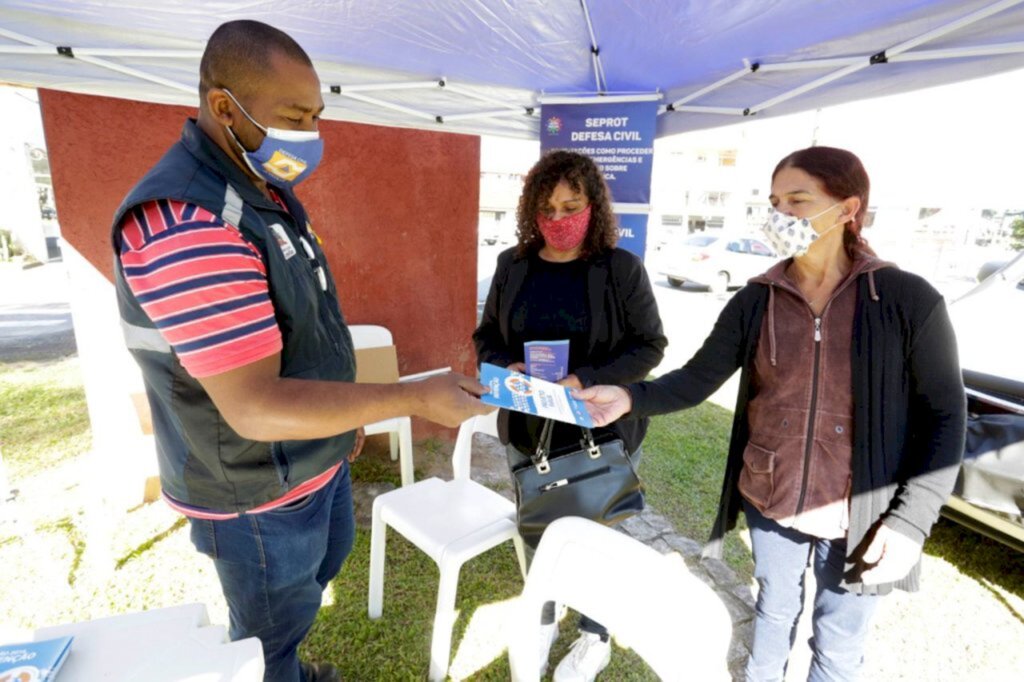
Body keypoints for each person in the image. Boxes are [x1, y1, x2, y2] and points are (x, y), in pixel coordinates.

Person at [111, 20, 490, 682]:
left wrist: (349, 416)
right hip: (255, 493)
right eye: (293, 115)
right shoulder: (190, 223)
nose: (309, 135)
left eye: (315, 116)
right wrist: (410, 395)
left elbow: (307, 326)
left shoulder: (266, 193)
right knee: (265, 637)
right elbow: (255, 406)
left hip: (312, 462)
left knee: (306, 591)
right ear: (224, 106)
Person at [577, 146, 966, 681]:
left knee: (838, 643)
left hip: (865, 510)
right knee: (773, 611)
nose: (780, 216)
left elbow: (946, 417)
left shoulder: (905, 300)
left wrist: (908, 524)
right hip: (771, 494)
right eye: (775, 202)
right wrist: (629, 397)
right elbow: (695, 379)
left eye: (797, 200)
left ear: (848, 208)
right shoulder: (756, 300)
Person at [473, 150, 667, 681]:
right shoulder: (512, 265)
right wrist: (504, 364)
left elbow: (650, 346)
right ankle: (544, 615)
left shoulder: (620, 269)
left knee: (601, 532)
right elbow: (485, 336)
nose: (558, 220)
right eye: (547, 208)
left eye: (571, 205)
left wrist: (583, 377)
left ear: (593, 206)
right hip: (528, 428)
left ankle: (593, 634)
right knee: (538, 525)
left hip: (600, 430)